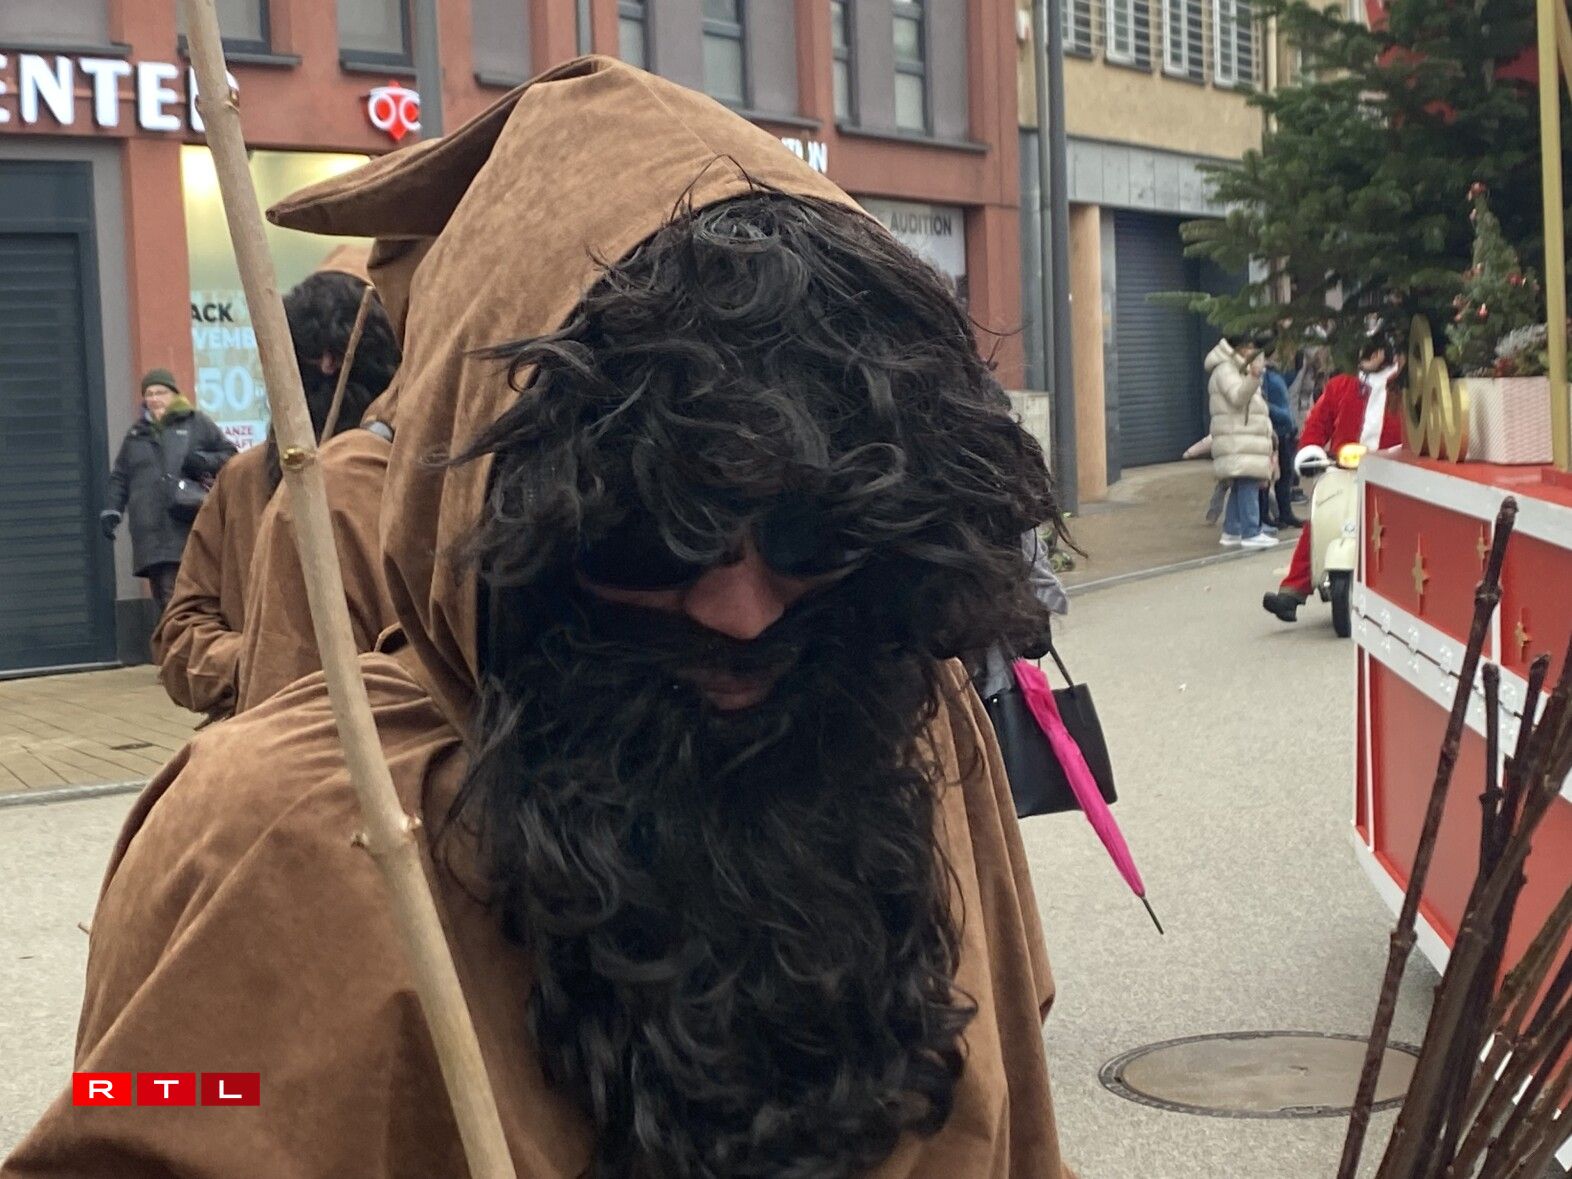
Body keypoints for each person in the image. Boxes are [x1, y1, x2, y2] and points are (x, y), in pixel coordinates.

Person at [5, 59, 1074, 1178]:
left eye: (814, 530)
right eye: (657, 533)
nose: (744, 609)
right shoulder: (268, 831)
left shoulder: (911, 724)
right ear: (508, 519)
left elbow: (1014, 1095)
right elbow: (153, 1099)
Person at [150, 269, 400, 717]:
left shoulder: (416, 478)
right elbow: (180, 637)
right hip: (268, 734)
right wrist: (263, 663)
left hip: (395, 736)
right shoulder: (242, 482)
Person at [233, 239, 430, 714]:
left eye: (342, 352)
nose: (326, 367)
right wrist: (249, 655)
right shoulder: (240, 481)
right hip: (275, 726)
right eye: (311, 352)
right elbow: (182, 627)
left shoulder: (431, 479)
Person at [1262, 336, 1405, 622]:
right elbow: (1318, 422)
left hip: (1392, 474)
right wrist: (1310, 451)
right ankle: (1293, 589)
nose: (1367, 356)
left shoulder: (1403, 388)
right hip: (1343, 470)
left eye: (1375, 351)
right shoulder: (1342, 385)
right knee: (1321, 520)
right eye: (1363, 349)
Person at [101, 369, 235, 614]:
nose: (154, 398)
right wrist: (112, 509)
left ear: (174, 394)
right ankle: (177, 637)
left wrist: (202, 461)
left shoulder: (196, 423)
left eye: (160, 392)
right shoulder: (136, 435)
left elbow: (229, 455)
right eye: (149, 394)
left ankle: (182, 638)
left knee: (181, 597)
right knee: (166, 597)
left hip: (187, 525)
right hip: (150, 532)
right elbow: (120, 476)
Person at [1205, 334, 1278, 548]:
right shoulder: (1226, 370)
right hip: (1237, 437)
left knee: (1241, 483)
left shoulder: (1235, 368)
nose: (1253, 352)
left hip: (1241, 437)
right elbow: (1238, 397)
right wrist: (1254, 376)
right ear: (1238, 348)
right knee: (1248, 482)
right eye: (1249, 347)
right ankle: (1250, 531)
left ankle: (1232, 530)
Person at [1258, 332, 1304, 530]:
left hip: (1285, 430)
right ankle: (1265, 515)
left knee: (1286, 474)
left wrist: (1296, 369)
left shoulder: (1273, 372)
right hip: (1275, 431)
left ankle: (1285, 513)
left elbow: (1283, 387)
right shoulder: (1263, 374)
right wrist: (1283, 416)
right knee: (1269, 476)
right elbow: (1263, 402)